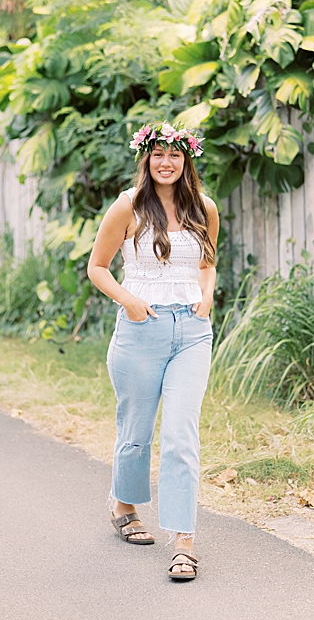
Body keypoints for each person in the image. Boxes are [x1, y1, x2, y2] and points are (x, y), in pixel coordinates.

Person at [87, 122, 219, 582]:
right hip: (141, 329)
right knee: (136, 431)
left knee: (181, 436)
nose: (166, 162)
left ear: (187, 159)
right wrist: (130, 302)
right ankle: (123, 503)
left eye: (175, 155)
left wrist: (207, 296)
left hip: (192, 332)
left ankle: (183, 542)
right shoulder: (127, 206)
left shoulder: (205, 208)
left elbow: (207, 264)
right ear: (146, 158)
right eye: (158, 154)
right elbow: (97, 267)